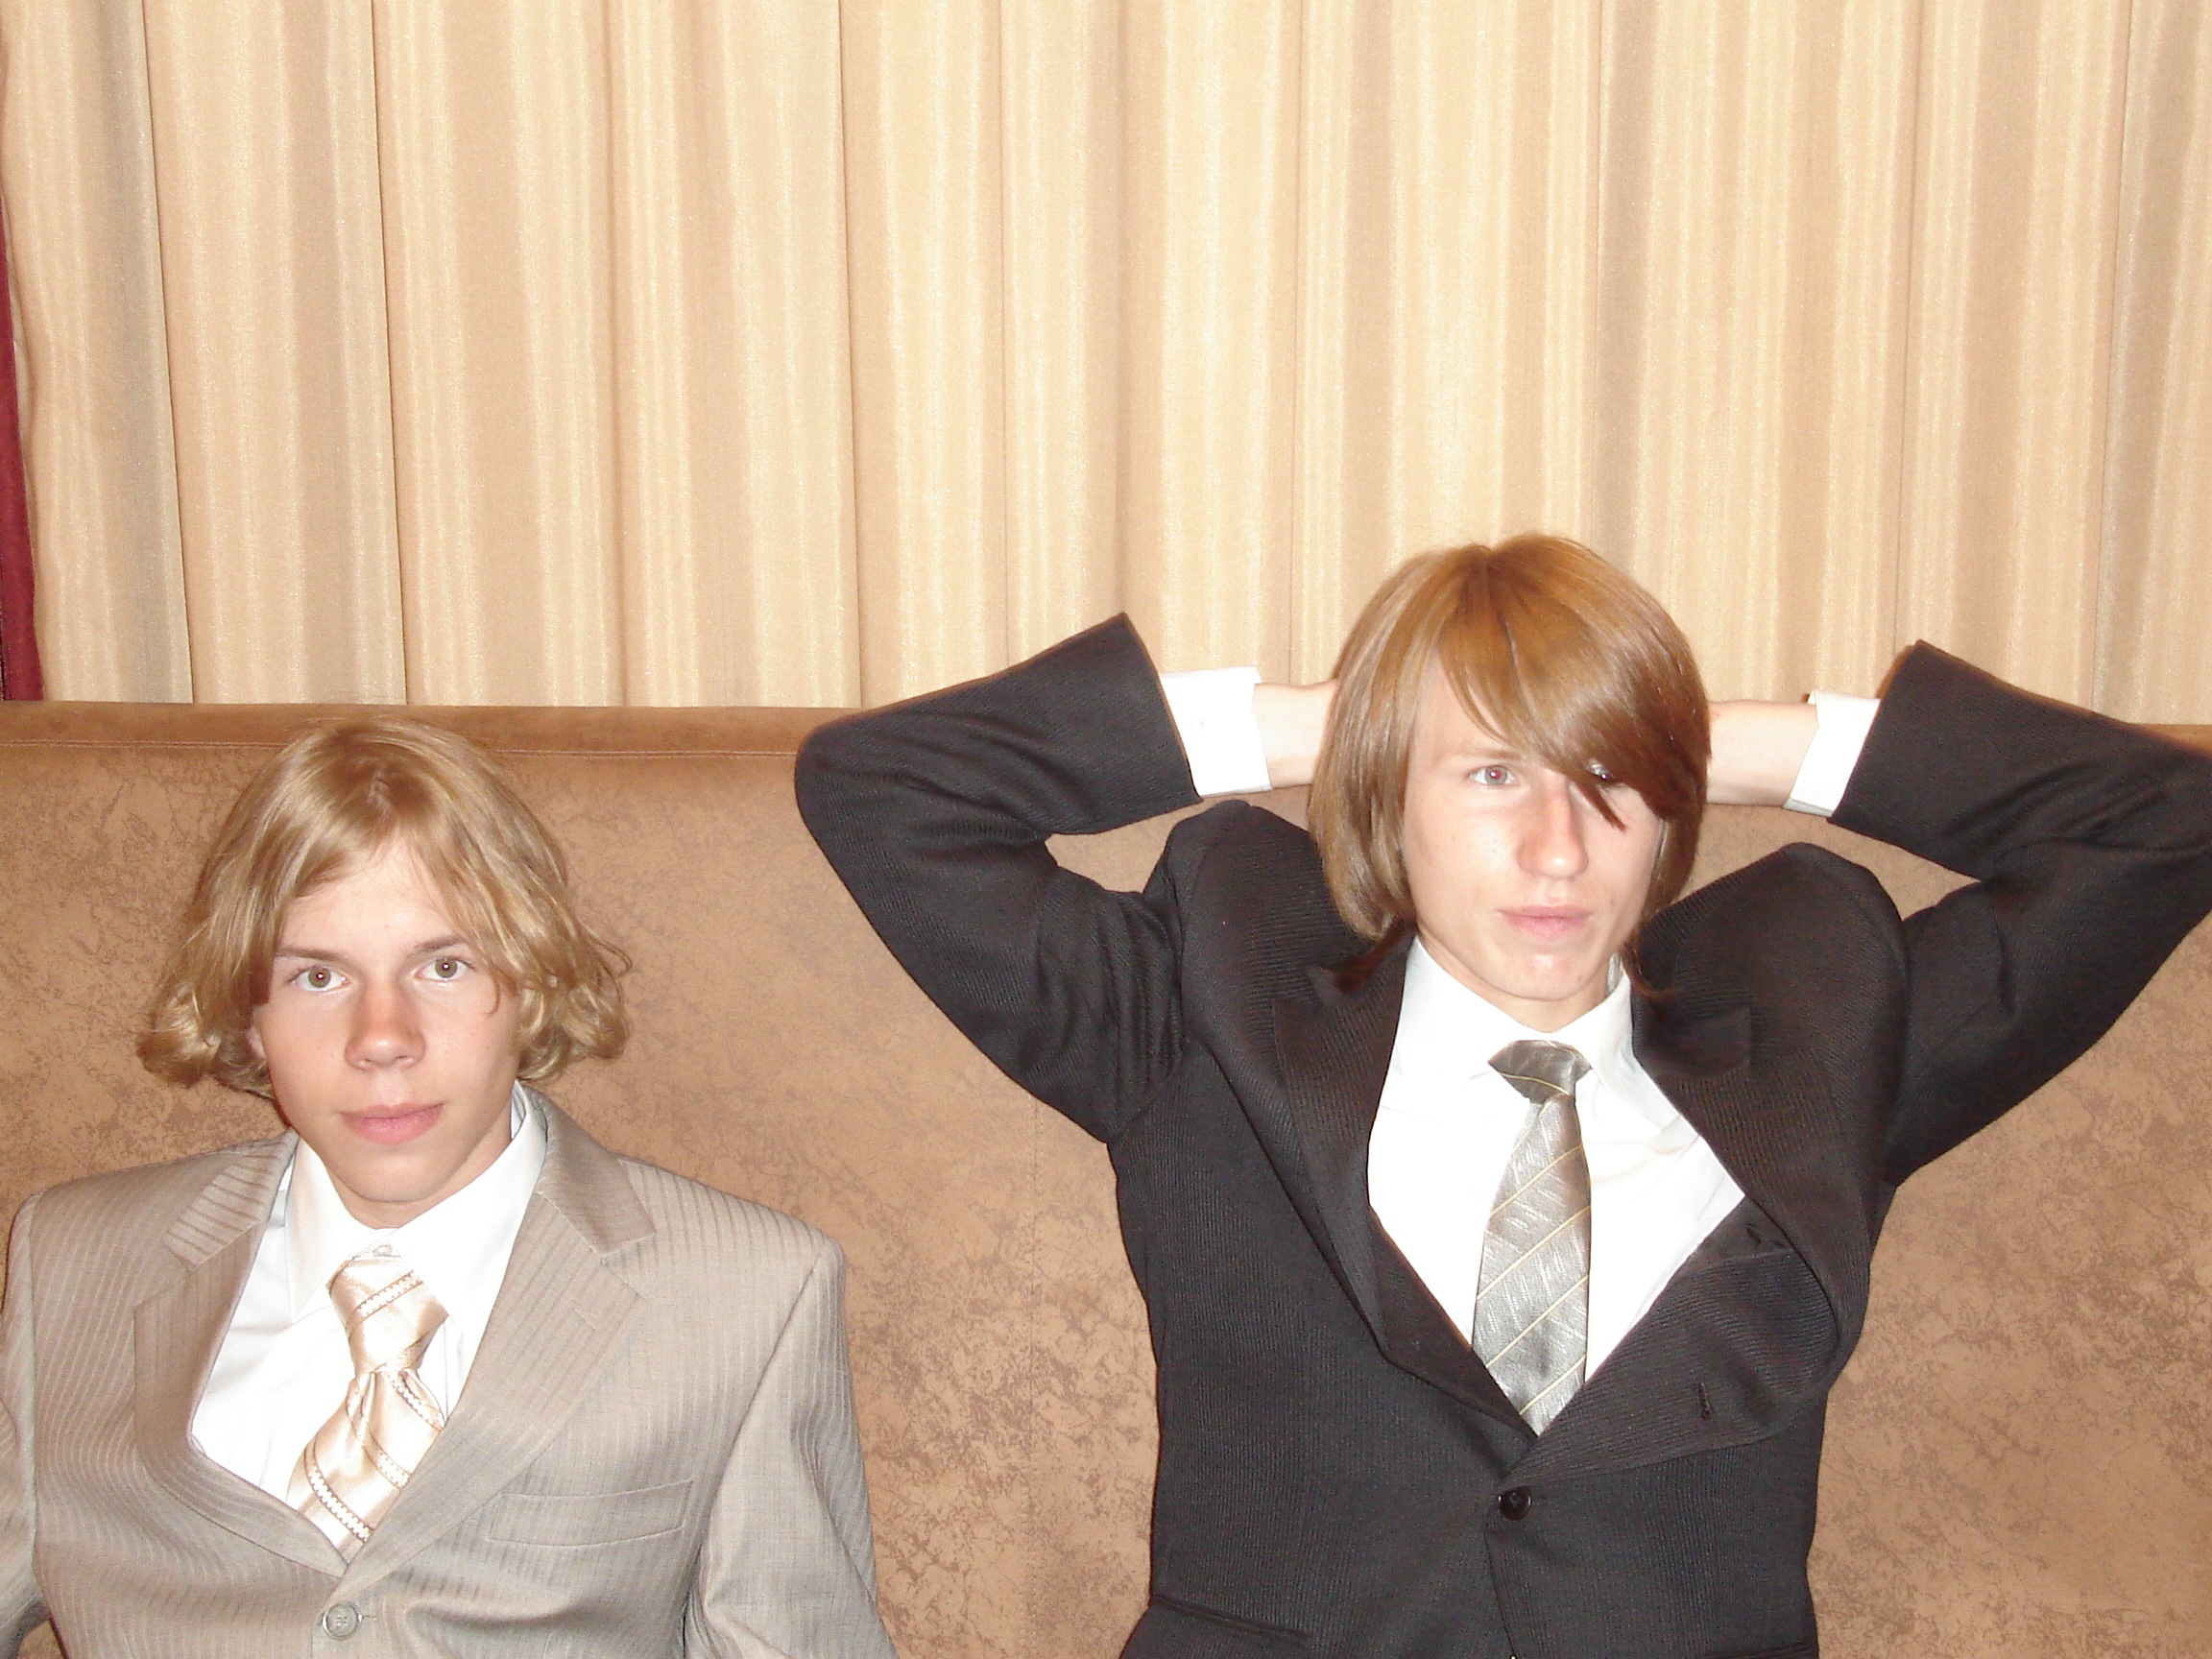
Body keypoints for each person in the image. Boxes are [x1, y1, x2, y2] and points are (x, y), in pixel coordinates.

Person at [796, 535, 2212, 1659]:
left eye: (1613, 784)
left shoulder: (1826, 1042)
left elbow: (2166, 821)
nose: (1559, 847)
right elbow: (884, 788)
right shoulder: (1199, 1018)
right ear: (1388, 796)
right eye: (1490, 775)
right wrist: (1342, 723)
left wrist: (1705, 740)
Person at [0, 717, 897, 1658]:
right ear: (250, 1016)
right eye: (317, 976)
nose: (382, 1038)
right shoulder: (74, 1260)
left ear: (532, 985)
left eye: (444, 966)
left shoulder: (744, 1295)